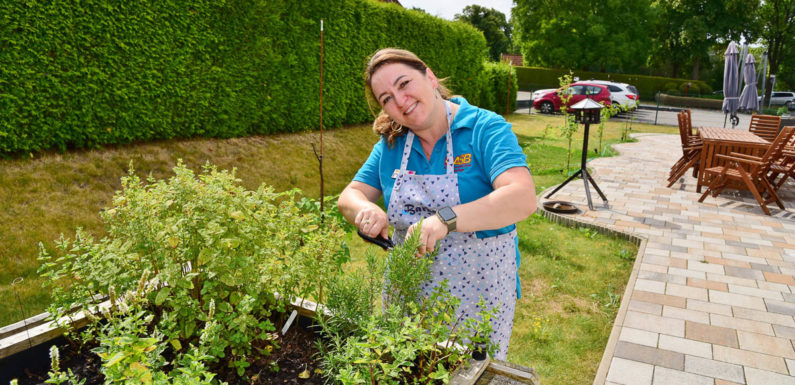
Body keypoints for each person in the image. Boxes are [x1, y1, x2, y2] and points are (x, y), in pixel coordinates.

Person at [337, 48, 536, 360]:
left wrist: (445, 218)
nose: (400, 101)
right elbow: (349, 196)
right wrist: (365, 209)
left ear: (429, 77)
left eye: (404, 84)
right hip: (408, 288)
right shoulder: (392, 142)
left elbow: (522, 197)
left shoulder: (484, 129)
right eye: (386, 98)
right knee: (405, 368)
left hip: (478, 293)